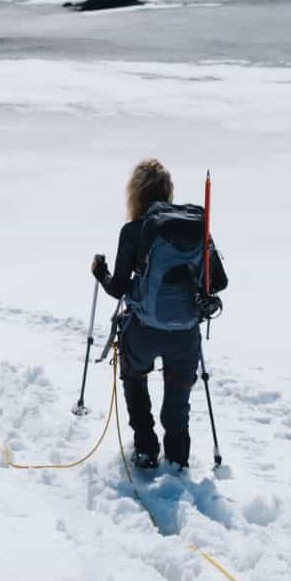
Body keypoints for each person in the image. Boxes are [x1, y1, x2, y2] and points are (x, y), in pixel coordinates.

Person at [90, 160, 227, 471]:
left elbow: (119, 289)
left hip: (143, 330)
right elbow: (219, 282)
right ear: (168, 190)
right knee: (178, 390)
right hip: (185, 334)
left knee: (134, 377)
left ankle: (145, 447)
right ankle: (178, 455)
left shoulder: (132, 231)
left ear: (135, 194)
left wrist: (101, 273)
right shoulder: (195, 227)